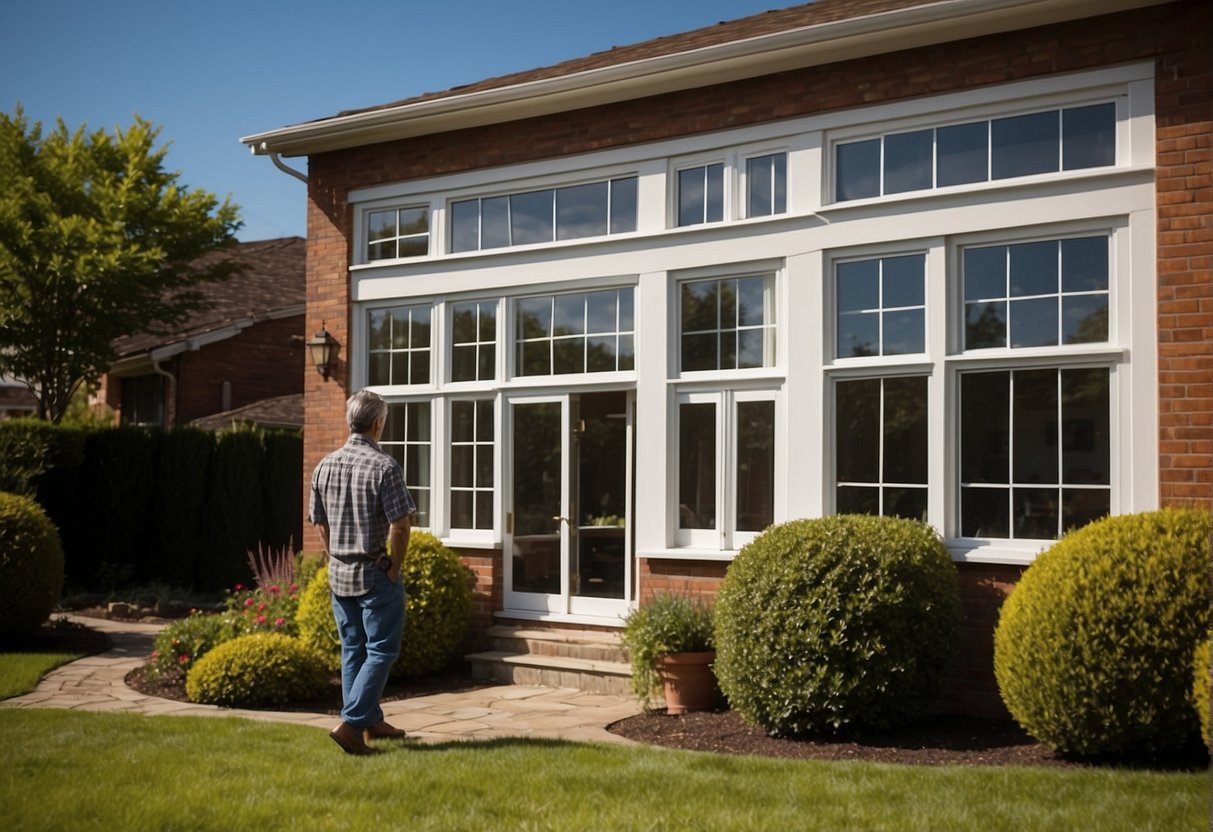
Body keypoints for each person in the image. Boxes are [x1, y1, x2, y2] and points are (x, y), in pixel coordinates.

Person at [309, 389, 415, 755]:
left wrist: (332, 556)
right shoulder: (384, 466)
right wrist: (394, 568)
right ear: (378, 423)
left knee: (353, 650)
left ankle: (369, 720)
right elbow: (400, 526)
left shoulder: (323, 464)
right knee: (382, 650)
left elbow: (318, 523)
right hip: (373, 575)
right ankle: (352, 724)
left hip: (339, 574)